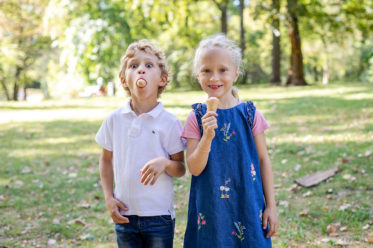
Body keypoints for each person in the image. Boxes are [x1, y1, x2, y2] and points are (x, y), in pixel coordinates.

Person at [182, 34, 278, 247]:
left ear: (236, 74)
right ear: (198, 75)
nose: (214, 77)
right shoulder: (196, 117)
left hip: (248, 203)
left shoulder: (250, 114)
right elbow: (195, 168)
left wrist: (271, 206)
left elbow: (263, 160)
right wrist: (207, 137)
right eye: (206, 70)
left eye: (222, 70)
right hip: (211, 208)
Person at [95, 39, 186, 248]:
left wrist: (164, 163)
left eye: (148, 65)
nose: (141, 71)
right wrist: (109, 198)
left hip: (159, 217)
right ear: (124, 80)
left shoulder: (170, 122)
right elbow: (106, 160)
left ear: (162, 79)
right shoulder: (114, 120)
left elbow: (180, 168)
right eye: (134, 66)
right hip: (125, 214)